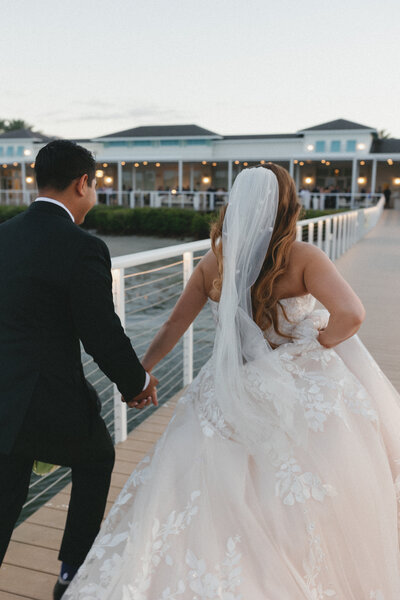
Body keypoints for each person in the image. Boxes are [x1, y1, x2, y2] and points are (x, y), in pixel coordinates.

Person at [66, 165, 400, 599]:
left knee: (199, 474)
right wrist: (315, 344)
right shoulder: (303, 257)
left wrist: (144, 373)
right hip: (296, 381)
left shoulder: (215, 260)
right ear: (288, 205)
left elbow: (173, 325)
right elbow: (352, 315)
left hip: (230, 385)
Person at [0, 140, 158, 600]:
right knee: (95, 456)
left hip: (3, 398)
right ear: (83, 182)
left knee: (6, 492)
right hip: (51, 399)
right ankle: (72, 572)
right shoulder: (83, 247)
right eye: (96, 183)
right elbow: (100, 333)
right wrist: (138, 383)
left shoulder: (4, 235)